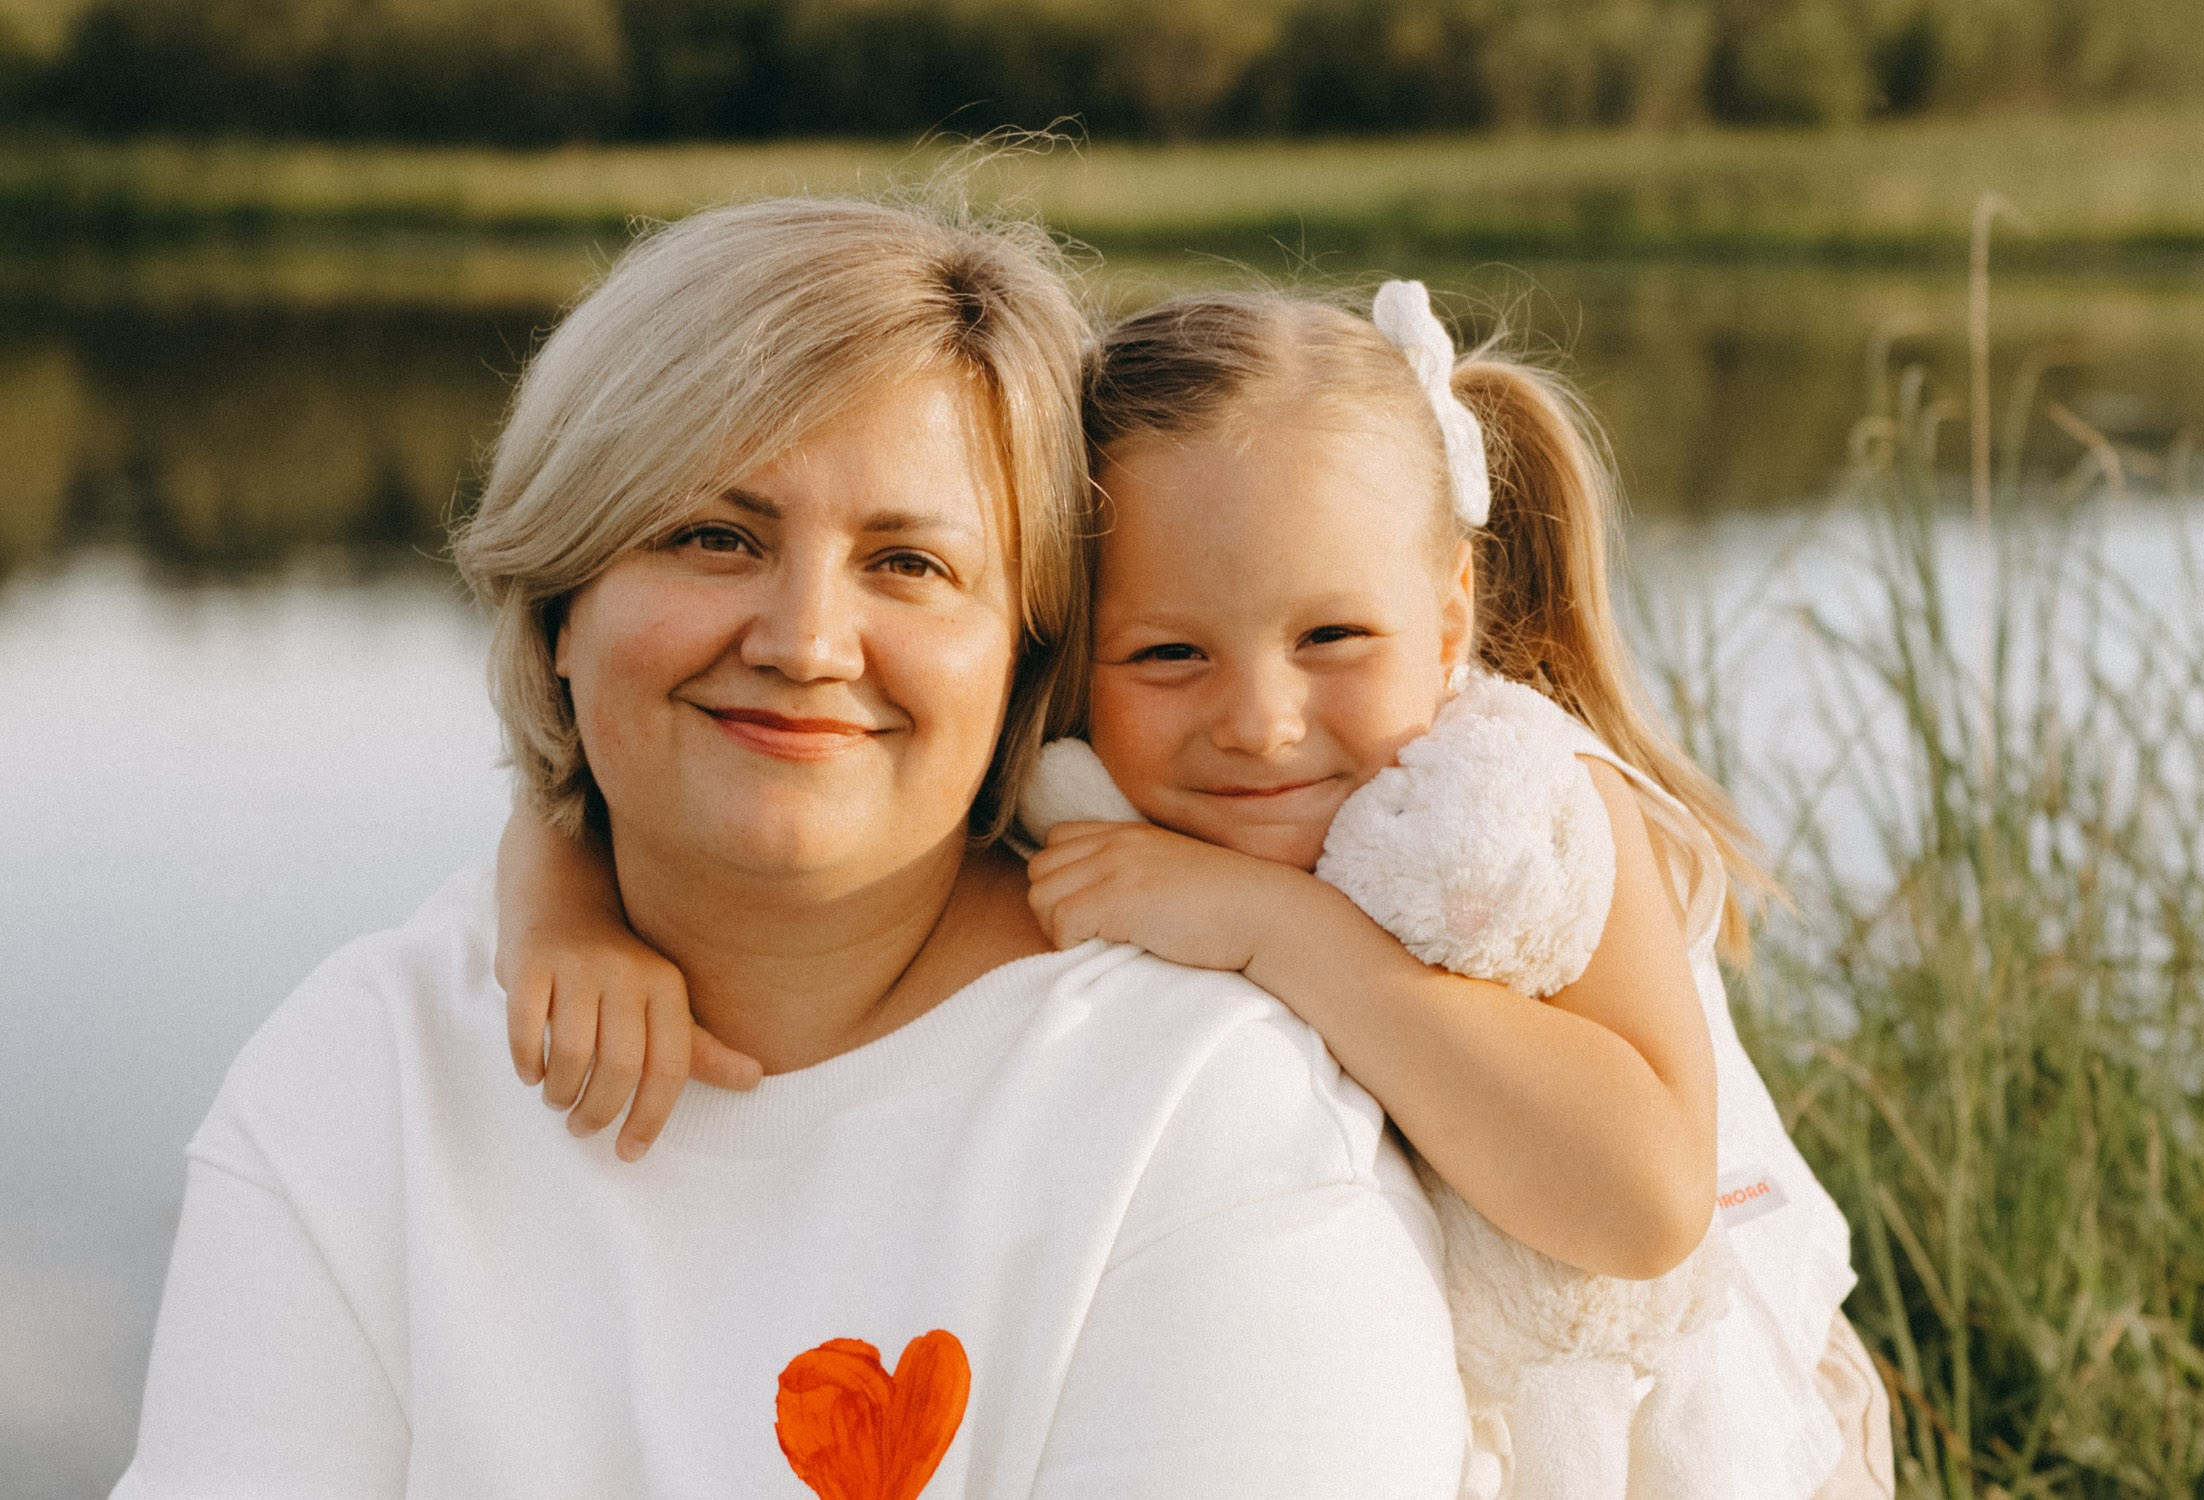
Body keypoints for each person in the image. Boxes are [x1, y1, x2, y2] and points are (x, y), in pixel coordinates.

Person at [111, 198, 1471, 1500]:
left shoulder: (1200, 1115)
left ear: (1027, 657)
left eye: (909, 565)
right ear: (559, 609)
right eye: (712, 537)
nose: (804, 642)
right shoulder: (365, 1076)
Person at [502, 281, 1893, 1497]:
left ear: (1453, 618)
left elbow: (1643, 1206)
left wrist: (1281, 929)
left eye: (1333, 637)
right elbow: (620, 784)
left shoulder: (1521, 806)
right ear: (1056, 647)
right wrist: (560, 914)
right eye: (1167, 655)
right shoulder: (1070, 770)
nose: (1260, 722)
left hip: (1674, 1437)